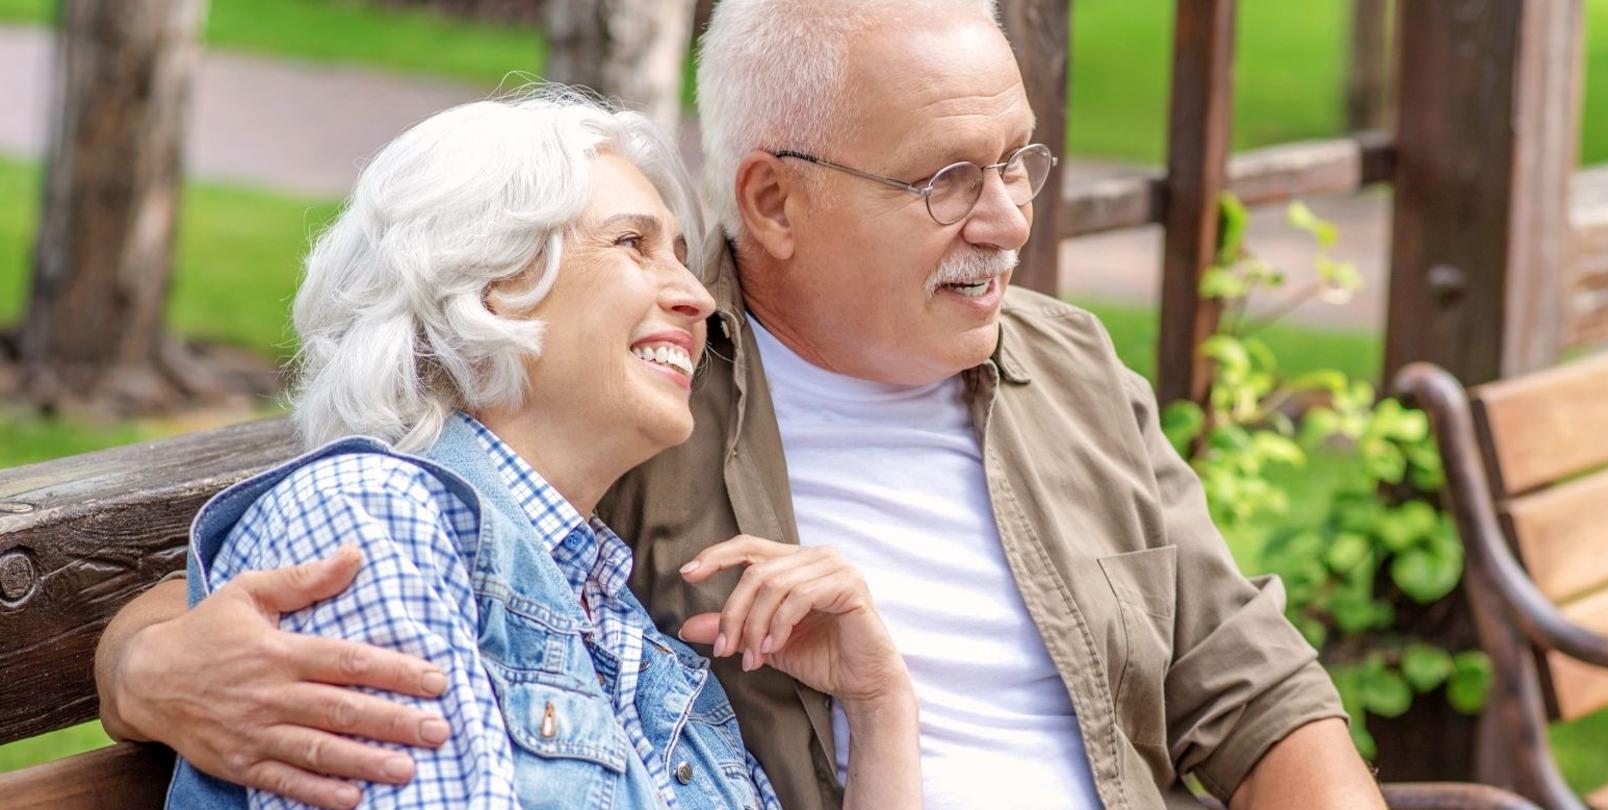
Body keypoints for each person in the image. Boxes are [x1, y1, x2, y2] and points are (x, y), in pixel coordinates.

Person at [97, 1, 1387, 807]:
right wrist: (148, 662)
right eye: (948, 178)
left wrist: (880, 701)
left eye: (1018, 161)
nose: (1010, 222)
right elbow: (343, 517)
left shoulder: (1070, 367)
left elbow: (1252, 685)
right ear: (770, 199)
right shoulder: (631, 391)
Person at [158, 90, 921, 810]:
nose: (698, 296)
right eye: (634, 244)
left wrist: (881, 705)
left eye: (683, 255)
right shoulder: (373, 522)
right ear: (487, 279)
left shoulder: (618, 621)